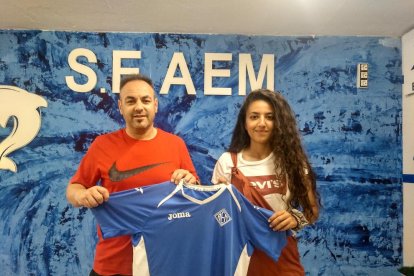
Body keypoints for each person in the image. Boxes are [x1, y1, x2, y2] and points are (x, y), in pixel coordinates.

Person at [66, 74, 198, 276]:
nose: (139, 107)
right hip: (112, 266)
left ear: (155, 104)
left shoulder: (176, 145)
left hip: (164, 264)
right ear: (120, 106)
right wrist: (83, 196)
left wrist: (190, 182)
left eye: (145, 100)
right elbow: (74, 189)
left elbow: (195, 195)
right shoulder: (102, 145)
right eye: (131, 101)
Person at [211, 88, 319, 276]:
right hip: (241, 260)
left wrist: (295, 218)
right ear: (244, 123)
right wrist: (221, 201)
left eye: (269, 117)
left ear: (279, 122)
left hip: (283, 260)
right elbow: (216, 220)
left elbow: (312, 211)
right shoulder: (227, 162)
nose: (262, 123)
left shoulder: (293, 162)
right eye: (254, 117)